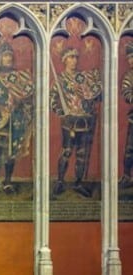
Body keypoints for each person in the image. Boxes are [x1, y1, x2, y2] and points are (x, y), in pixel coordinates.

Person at [0, 41, 34, 198]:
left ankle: (8, 182)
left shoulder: (21, 77)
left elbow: (29, 96)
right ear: (0, 58)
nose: (8, 58)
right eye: (5, 56)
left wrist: (20, 103)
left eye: (10, 55)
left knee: (11, 152)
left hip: (16, 119)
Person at [51, 46, 102, 198]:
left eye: (75, 58)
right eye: (70, 58)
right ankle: (60, 181)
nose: (74, 61)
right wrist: (61, 112)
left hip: (86, 119)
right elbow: (52, 99)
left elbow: (97, 94)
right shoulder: (59, 80)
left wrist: (91, 95)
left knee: (82, 153)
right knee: (67, 151)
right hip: (70, 120)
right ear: (64, 60)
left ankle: (78, 183)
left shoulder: (85, 77)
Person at [120, 42, 133, 189]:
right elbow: (126, 92)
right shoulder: (129, 75)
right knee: (130, 149)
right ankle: (127, 176)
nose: (130, 61)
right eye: (129, 58)